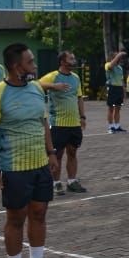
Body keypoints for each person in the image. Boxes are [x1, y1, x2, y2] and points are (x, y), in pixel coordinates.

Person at [0, 43, 61, 258]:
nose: (35, 67)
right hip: (14, 168)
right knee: (16, 217)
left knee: (39, 213)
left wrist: (51, 153)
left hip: (40, 165)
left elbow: (43, 122)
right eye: (30, 62)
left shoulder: (36, 89)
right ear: (17, 67)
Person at [38, 51, 87, 194]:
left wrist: (82, 117)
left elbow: (79, 98)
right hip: (58, 124)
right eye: (71, 58)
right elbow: (35, 84)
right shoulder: (53, 76)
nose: (74, 60)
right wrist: (53, 86)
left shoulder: (76, 78)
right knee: (57, 155)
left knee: (72, 153)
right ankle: (56, 183)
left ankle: (72, 181)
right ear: (62, 62)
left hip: (74, 124)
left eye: (74, 58)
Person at [104, 50, 128, 133]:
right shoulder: (108, 64)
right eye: (117, 56)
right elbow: (110, 66)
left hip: (119, 89)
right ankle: (111, 127)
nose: (119, 58)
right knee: (111, 108)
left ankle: (117, 126)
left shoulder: (120, 67)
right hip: (112, 88)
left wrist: (124, 92)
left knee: (118, 108)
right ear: (112, 57)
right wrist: (120, 54)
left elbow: (121, 81)